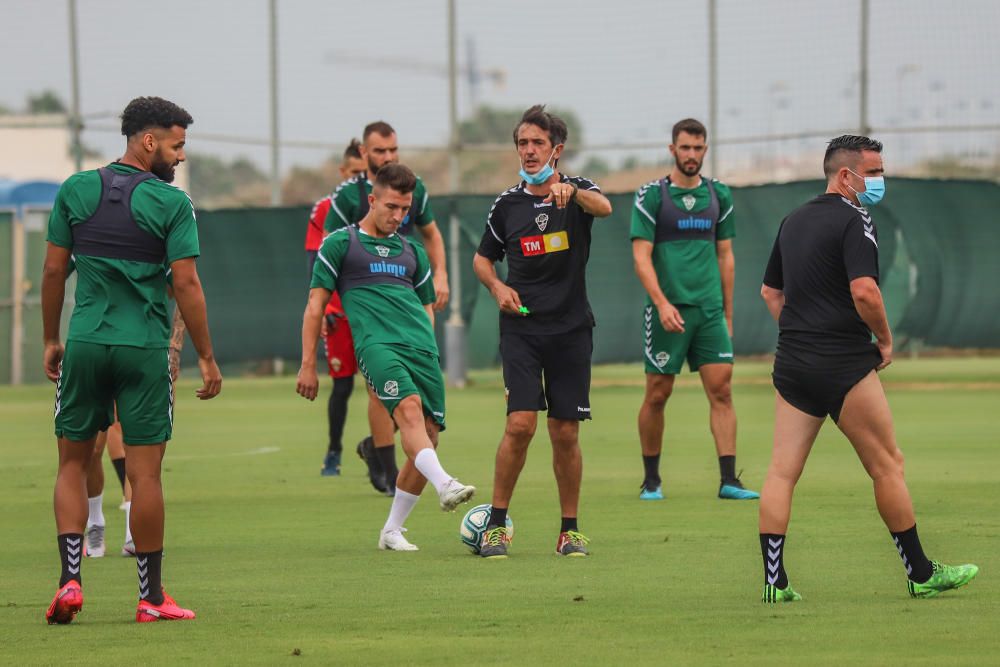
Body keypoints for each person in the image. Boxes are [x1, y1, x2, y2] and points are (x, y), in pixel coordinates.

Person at [757, 134, 978, 602]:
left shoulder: (792, 220)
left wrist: (800, 333)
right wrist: (885, 338)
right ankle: (920, 573)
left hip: (793, 364)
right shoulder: (856, 218)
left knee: (781, 473)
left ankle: (774, 584)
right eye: (873, 172)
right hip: (843, 364)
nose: (878, 180)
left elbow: (770, 294)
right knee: (887, 465)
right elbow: (865, 292)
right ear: (845, 175)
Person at [42, 96, 222, 624]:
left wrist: (52, 339)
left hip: (86, 344)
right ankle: (151, 597)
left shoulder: (76, 189)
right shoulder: (172, 204)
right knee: (145, 477)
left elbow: (54, 274)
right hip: (142, 350)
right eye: (177, 144)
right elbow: (185, 282)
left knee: (72, 464)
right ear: (149, 141)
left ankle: (70, 583)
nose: (181, 155)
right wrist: (207, 358)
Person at [298, 163, 475, 551]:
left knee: (427, 437)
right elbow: (315, 306)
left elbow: (426, 307)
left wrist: (428, 349)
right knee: (408, 411)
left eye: (404, 209)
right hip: (376, 347)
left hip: (421, 350)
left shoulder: (412, 250)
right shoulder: (341, 244)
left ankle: (392, 531)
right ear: (372, 199)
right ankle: (445, 483)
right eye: (391, 206)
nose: (398, 216)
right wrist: (309, 363)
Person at [472, 104, 613, 559]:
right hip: (522, 331)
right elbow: (482, 259)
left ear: (557, 149)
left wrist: (570, 192)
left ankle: (569, 531)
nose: (529, 151)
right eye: (522, 143)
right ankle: (496, 526)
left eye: (537, 143)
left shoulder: (577, 191)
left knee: (566, 432)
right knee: (520, 425)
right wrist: (497, 287)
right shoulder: (507, 204)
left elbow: (605, 207)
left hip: (571, 331)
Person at [630, 118, 759, 501]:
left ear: (705, 150)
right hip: (669, 312)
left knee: (722, 391)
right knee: (658, 393)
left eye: (698, 148)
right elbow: (641, 258)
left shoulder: (719, 195)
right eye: (684, 148)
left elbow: (726, 257)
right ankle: (651, 480)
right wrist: (662, 303)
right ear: (672, 150)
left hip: (709, 312)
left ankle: (729, 481)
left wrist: (728, 314)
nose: (691, 155)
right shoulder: (652, 196)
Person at [322, 121, 451, 496]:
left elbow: (431, 234)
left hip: (405, 294)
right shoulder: (348, 195)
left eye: (392, 151)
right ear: (364, 154)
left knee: (404, 394)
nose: (387, 157)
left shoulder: (414, 186)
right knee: (377, 388)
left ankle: (376, 451)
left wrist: (440, 275)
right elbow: (326, 251)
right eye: (379, 151)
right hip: (362, 299)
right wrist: (330, 304)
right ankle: (386, 466)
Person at [304, 140, 366, 478]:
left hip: (371, 309)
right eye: (354, 173)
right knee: (342, 386)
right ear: (343, 173)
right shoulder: (327, 208)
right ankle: (334, 451)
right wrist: (326, 305)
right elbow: (317, 259)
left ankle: (379, 451)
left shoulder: (385, 204)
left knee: (389, 387)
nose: (359, 180)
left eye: (364, 173)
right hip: (340, 311)